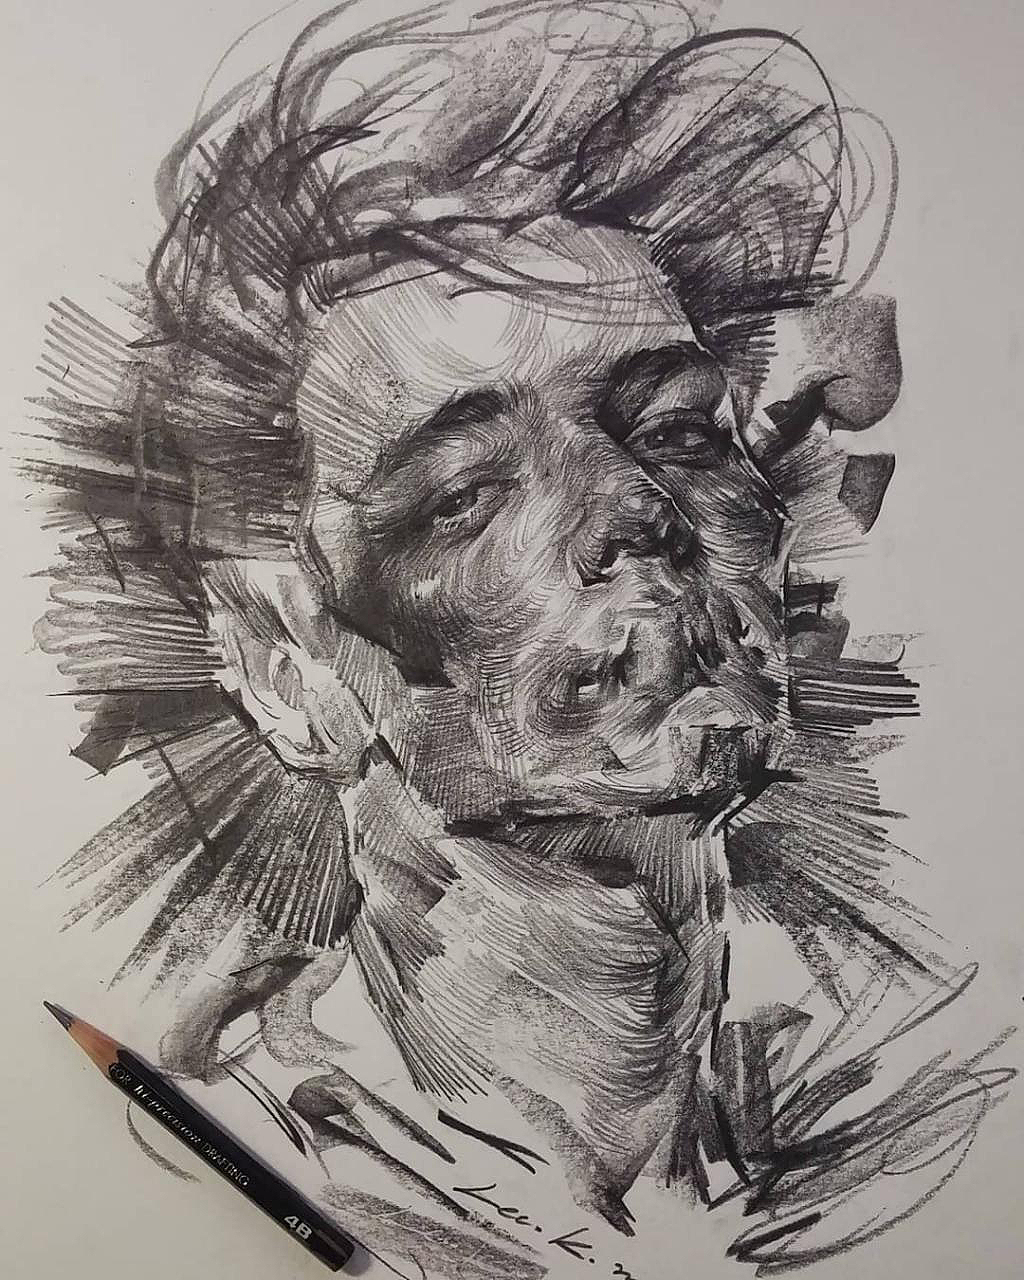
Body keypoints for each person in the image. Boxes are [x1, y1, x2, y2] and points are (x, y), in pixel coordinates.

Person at [39, 3, 990, 1273]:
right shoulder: (253, 1161)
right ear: (289, 668)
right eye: (465, 494)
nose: (636, 510)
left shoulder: (906, 1122)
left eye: (678, 429)